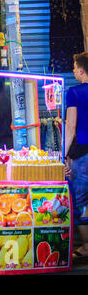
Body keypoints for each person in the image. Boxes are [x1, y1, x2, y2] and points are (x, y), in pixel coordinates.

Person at [66, 52, 88, 260]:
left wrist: (62, 154)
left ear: (81, 70)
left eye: (74, 67)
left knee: (82, 200)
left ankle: (86, 246)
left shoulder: (74, 92)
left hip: (83, 152)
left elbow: (71, 126)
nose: (72, 70)